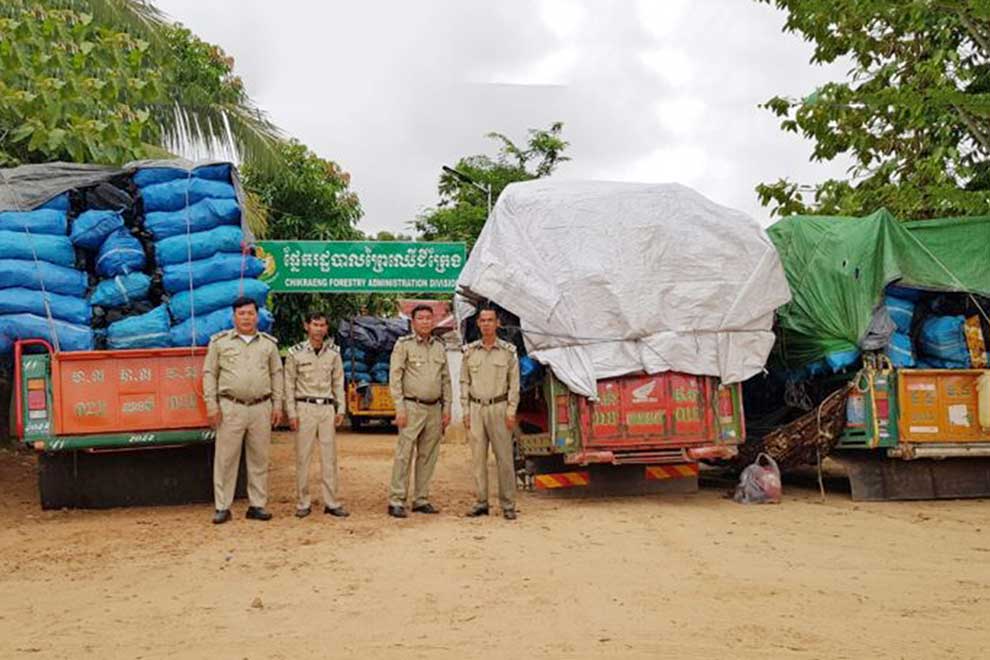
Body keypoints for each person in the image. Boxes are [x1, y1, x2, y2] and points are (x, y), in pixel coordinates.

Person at [202, 296, 283, 524]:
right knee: (226, 459)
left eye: (250, 313)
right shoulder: (220, 342)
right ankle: (222, 507)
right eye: (241, 313)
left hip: (261, 407)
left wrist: (278, 405)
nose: (246, 317)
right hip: (231, 407)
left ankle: (257, 505)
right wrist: (211, 405)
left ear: (257, 316)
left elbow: (277, 374)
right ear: (234, 316)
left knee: (259, 458)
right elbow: (209, 374)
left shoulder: (268, 344)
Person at [387, 305, 452, 518]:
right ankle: (397, 499)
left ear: (433, 321)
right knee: (404, 455)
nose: (425, 322)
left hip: (434, 408)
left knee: (428, 456)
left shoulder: (439, 347)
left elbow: (446, 380)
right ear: (413, 322)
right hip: (411, 406)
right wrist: (399, 408)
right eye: (420, 318)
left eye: (428, 318)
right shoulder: (403, 345)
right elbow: (395, 378)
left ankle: (421, 499)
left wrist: (447, 407)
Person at [284, 311, 348, 519]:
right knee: (303, 458)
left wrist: (341, 409)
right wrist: (291, 413)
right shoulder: (296, 353)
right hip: (305, 407)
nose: (319, 329)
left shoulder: (333, 353)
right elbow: (289, 384)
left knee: (329, 458)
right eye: (315, 324)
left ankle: (331, 502)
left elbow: (339, 382)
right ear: (306, 326)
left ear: (326, 328)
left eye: (322, 325)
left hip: (327, 408)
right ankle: (303, 502)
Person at [460, 308, 521, 520]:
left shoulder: (508, 352)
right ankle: (481, 502)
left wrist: (511, 410)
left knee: (504, 459)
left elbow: (514, 385)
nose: (486, 324)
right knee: (478, 459)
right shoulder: (469, 352)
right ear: (477, 324)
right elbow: (464, 382)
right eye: (483, 320)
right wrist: (466, 411)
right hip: (476, 409)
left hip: (500, 408)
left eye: (490, 320)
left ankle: (508, 504)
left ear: (498, 324)